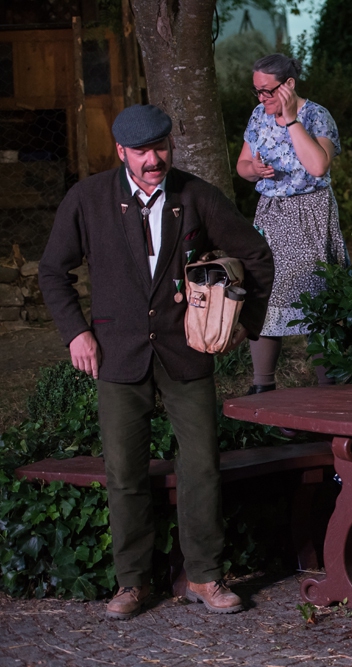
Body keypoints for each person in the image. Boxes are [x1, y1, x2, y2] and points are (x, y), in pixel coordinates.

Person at [38, 104, 274, 619]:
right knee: (124, 472)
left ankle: (206, 576)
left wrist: (245, 323)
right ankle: (132, 582)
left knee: (202, 466)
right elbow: (52, 271)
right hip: (117, 354)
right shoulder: (88, 199)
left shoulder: (197, 196)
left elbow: (257, 254)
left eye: (161, 148)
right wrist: (76, 332)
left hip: (186, 351)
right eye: (142, 151)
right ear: (121, 151)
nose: (154, 160)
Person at [236, 53, 349, 393]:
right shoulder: (258, 115)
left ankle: (330, 388)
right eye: (257, 91)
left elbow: (318, 166)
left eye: (267, 90)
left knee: (316, 295)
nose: (261, 98)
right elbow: (242, 165)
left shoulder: (316, 116)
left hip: (310, 214)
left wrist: (290, 121)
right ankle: (262, 386)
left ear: (289, 84)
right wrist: (254, 170)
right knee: (266, 292)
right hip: (272, 214)